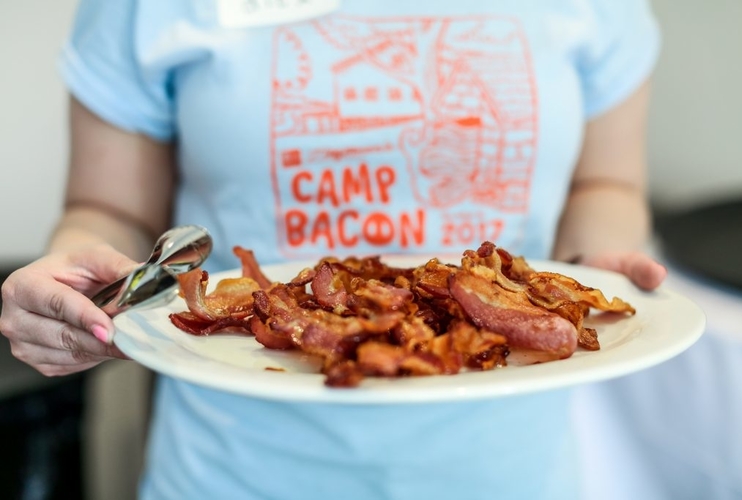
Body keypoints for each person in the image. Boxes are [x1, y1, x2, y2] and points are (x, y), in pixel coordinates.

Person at [0, 0, 667, 498]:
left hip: (514, 469)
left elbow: (605, 185)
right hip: (233, 471)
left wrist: (590, 270)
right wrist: (80, 276)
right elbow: (110, 209)